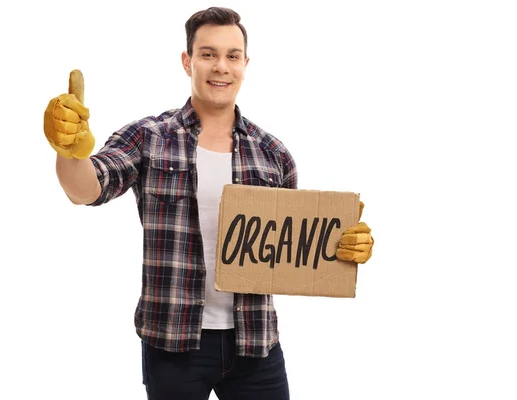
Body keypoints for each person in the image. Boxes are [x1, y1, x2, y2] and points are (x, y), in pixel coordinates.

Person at [43, 6, 374, 400]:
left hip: (256, 342)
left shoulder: (274, 155)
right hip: (173, 343)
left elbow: (294, 249)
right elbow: (87, 188)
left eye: (232, 56)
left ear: (245, 64)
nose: (221, 66)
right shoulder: (149, 137)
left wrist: (341, 248)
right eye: (208, 54)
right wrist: (69, 152)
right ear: (188, 61)